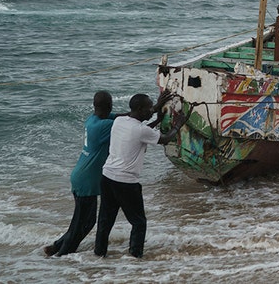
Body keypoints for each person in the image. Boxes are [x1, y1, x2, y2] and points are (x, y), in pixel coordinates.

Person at [93, 91, 189, 259]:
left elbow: (141, 133)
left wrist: (158, 118)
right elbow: (165, 139)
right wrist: (178, 124)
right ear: (139, 109)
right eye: (148, 107)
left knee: (105, 220)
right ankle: (134, 256)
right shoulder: (140, 130)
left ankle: (99, 254)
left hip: (107, 177)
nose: (150, 110)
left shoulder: (119, 121)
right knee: (139, 222)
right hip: (126, 182)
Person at [44, 91, 121, 257]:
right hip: (86, 180)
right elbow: (129, 123)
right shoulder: (104, 126)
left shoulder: (93, 120)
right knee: (82, 224)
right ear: (109, 105)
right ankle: (61, 256)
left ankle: (56, 247)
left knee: (83, 221)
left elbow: (122, 117)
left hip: (82, 176)